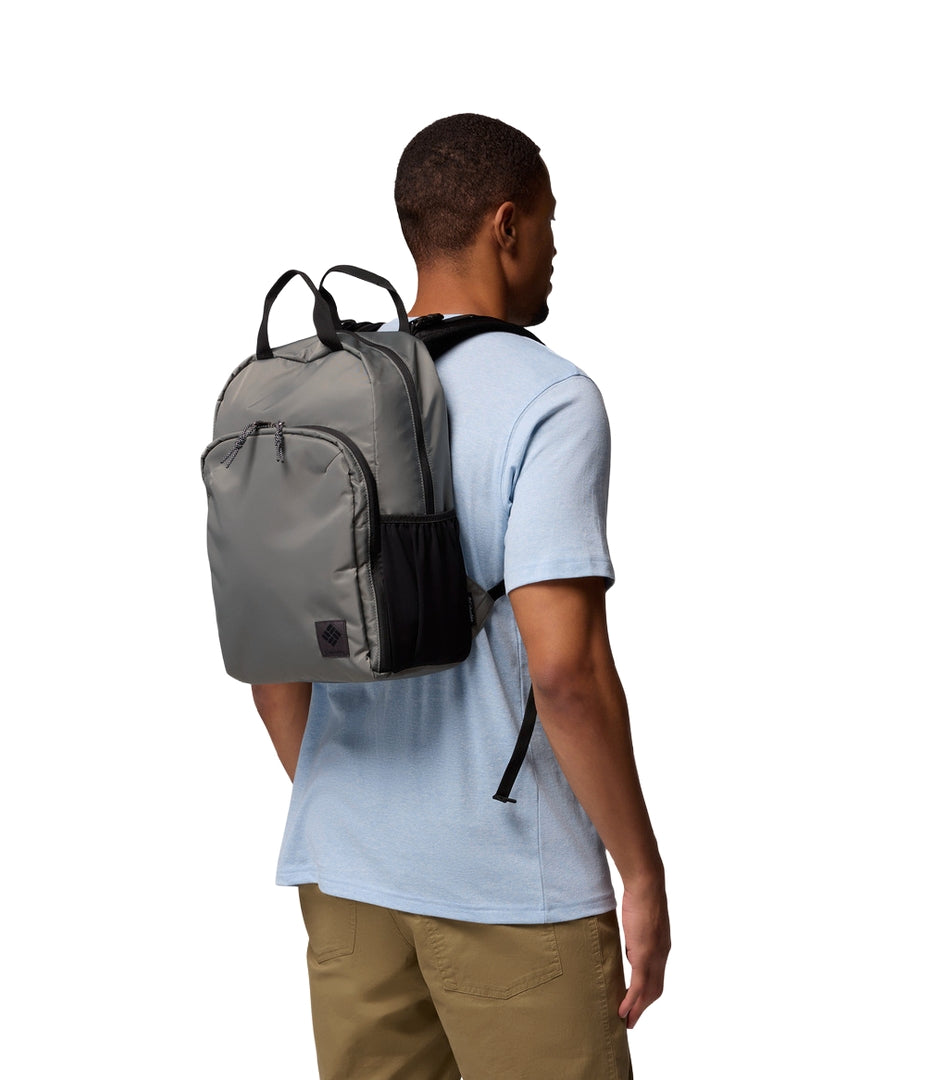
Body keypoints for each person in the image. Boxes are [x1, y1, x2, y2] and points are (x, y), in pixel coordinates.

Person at [251, 113, 670, 1080]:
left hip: (344, 877)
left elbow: (274, 664)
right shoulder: (550, 400)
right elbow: (566, 672)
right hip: (511, 886)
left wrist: (367, 810)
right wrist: (640, 872)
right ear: (506, 224)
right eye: (551, 221)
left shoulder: (312, 394)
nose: (557, 247)